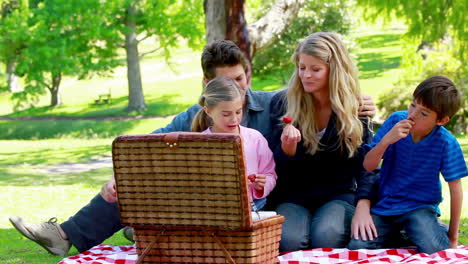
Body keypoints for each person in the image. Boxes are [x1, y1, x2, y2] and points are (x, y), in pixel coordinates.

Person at [9, 39, 377, 256]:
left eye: (240, 78)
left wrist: (362, 105)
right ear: (207, 86)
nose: (237, 90)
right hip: (204, 198)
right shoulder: (196, 115)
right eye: (225, 83)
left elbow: (317, 95)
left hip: (262, 203)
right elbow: (143, 147)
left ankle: (151, 229)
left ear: (247, 73)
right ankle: (65, 236)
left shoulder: (275, 104)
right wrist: (117, 178)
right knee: (139, 178)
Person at [265, 32, 378, 252]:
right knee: (290, 240)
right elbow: (272, 165)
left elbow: (367, 164)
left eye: (315, 69)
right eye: (302, 67)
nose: (305, 75)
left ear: (334, 71)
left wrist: (364, 206)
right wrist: (287, 151)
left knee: (327, 236)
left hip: (337, 194)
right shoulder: (284, 104)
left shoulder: (355, 108)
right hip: (293, 196)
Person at [348, 75, 467, 254]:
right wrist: (386, 140)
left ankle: (428, 229)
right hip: (386, 206)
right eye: (412, 105)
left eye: (423, 113)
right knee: (357, 246)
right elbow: (368, 166)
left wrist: (453, 237)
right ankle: (406, 234)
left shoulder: (446, 142)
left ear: (441, 120)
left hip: (420, 208)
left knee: (436, 248)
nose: (412, 115)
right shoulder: (396, 120)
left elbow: (456, 189)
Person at [192, 76, 277, 210]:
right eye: (226, 114)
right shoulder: (200, 145)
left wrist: (262, 184)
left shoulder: (255, 139)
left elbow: (270, 174)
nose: (234, 119)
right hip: (214, 210)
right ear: (208, 111)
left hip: (254, 208)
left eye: (238, 112)